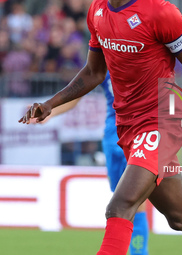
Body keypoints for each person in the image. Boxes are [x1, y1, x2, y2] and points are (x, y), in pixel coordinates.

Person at [19, 0, 182, 254]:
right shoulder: (98, 10)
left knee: (120, 207)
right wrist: (50, 104)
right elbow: (93, 73)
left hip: (162, 120)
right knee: (180, 216)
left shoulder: (160, 11)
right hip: (128, 125)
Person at [35, 72, 150, 255]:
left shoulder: (144, 54)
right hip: (114, 138)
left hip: (142, 134)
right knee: (123, 199)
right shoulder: (103, 60)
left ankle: (140, 253)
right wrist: (51, 112)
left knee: (135, 198)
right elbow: (77, 93)